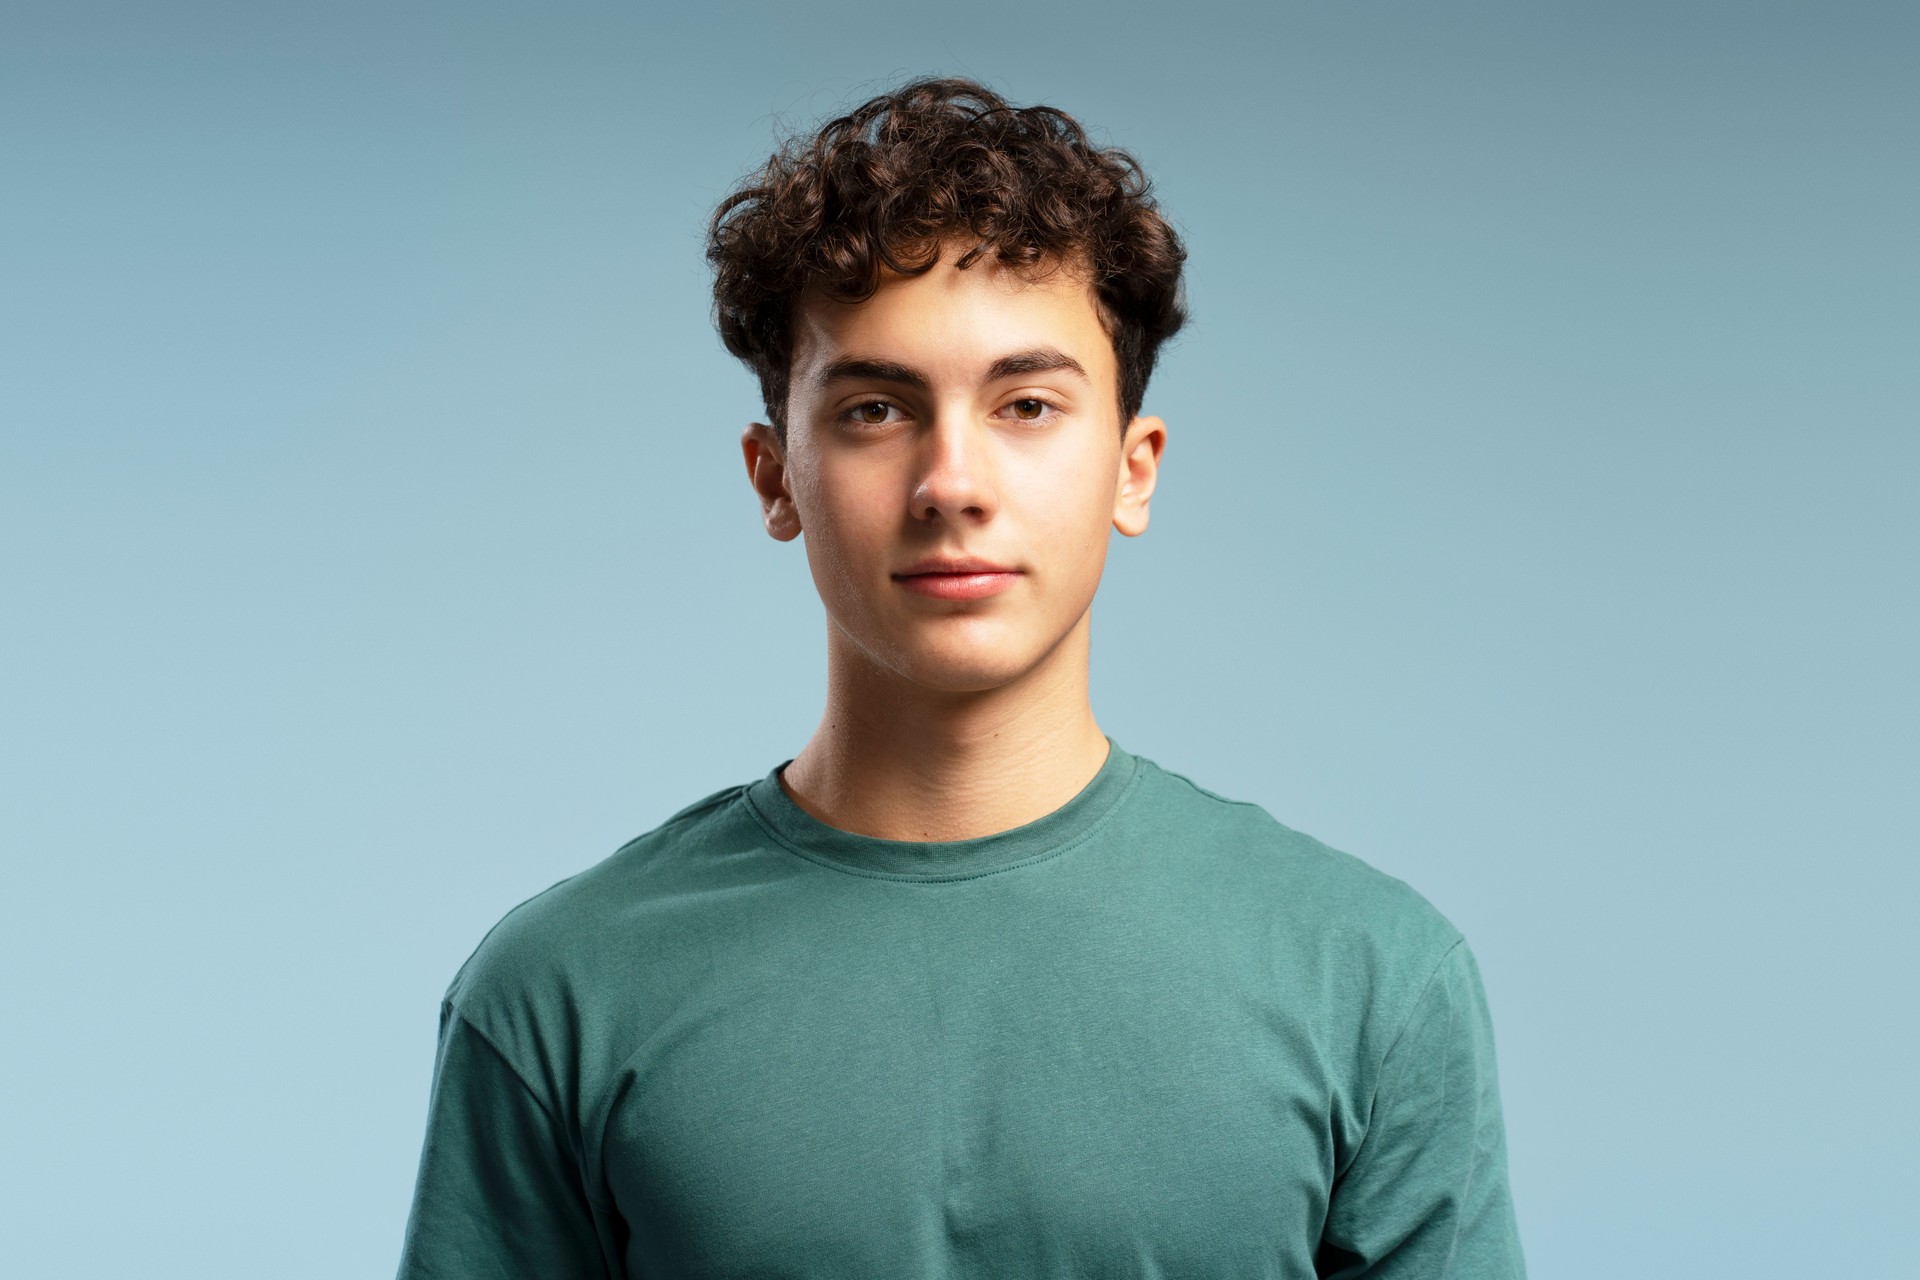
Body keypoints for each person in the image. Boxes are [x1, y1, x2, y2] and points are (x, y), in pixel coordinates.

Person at [394, 76, 1526, 1279]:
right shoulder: (560, 994)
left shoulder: (1373, 980)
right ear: (776, 477)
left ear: (1132, 468)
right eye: (878, 409)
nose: (953, 482)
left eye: (1027, 404)